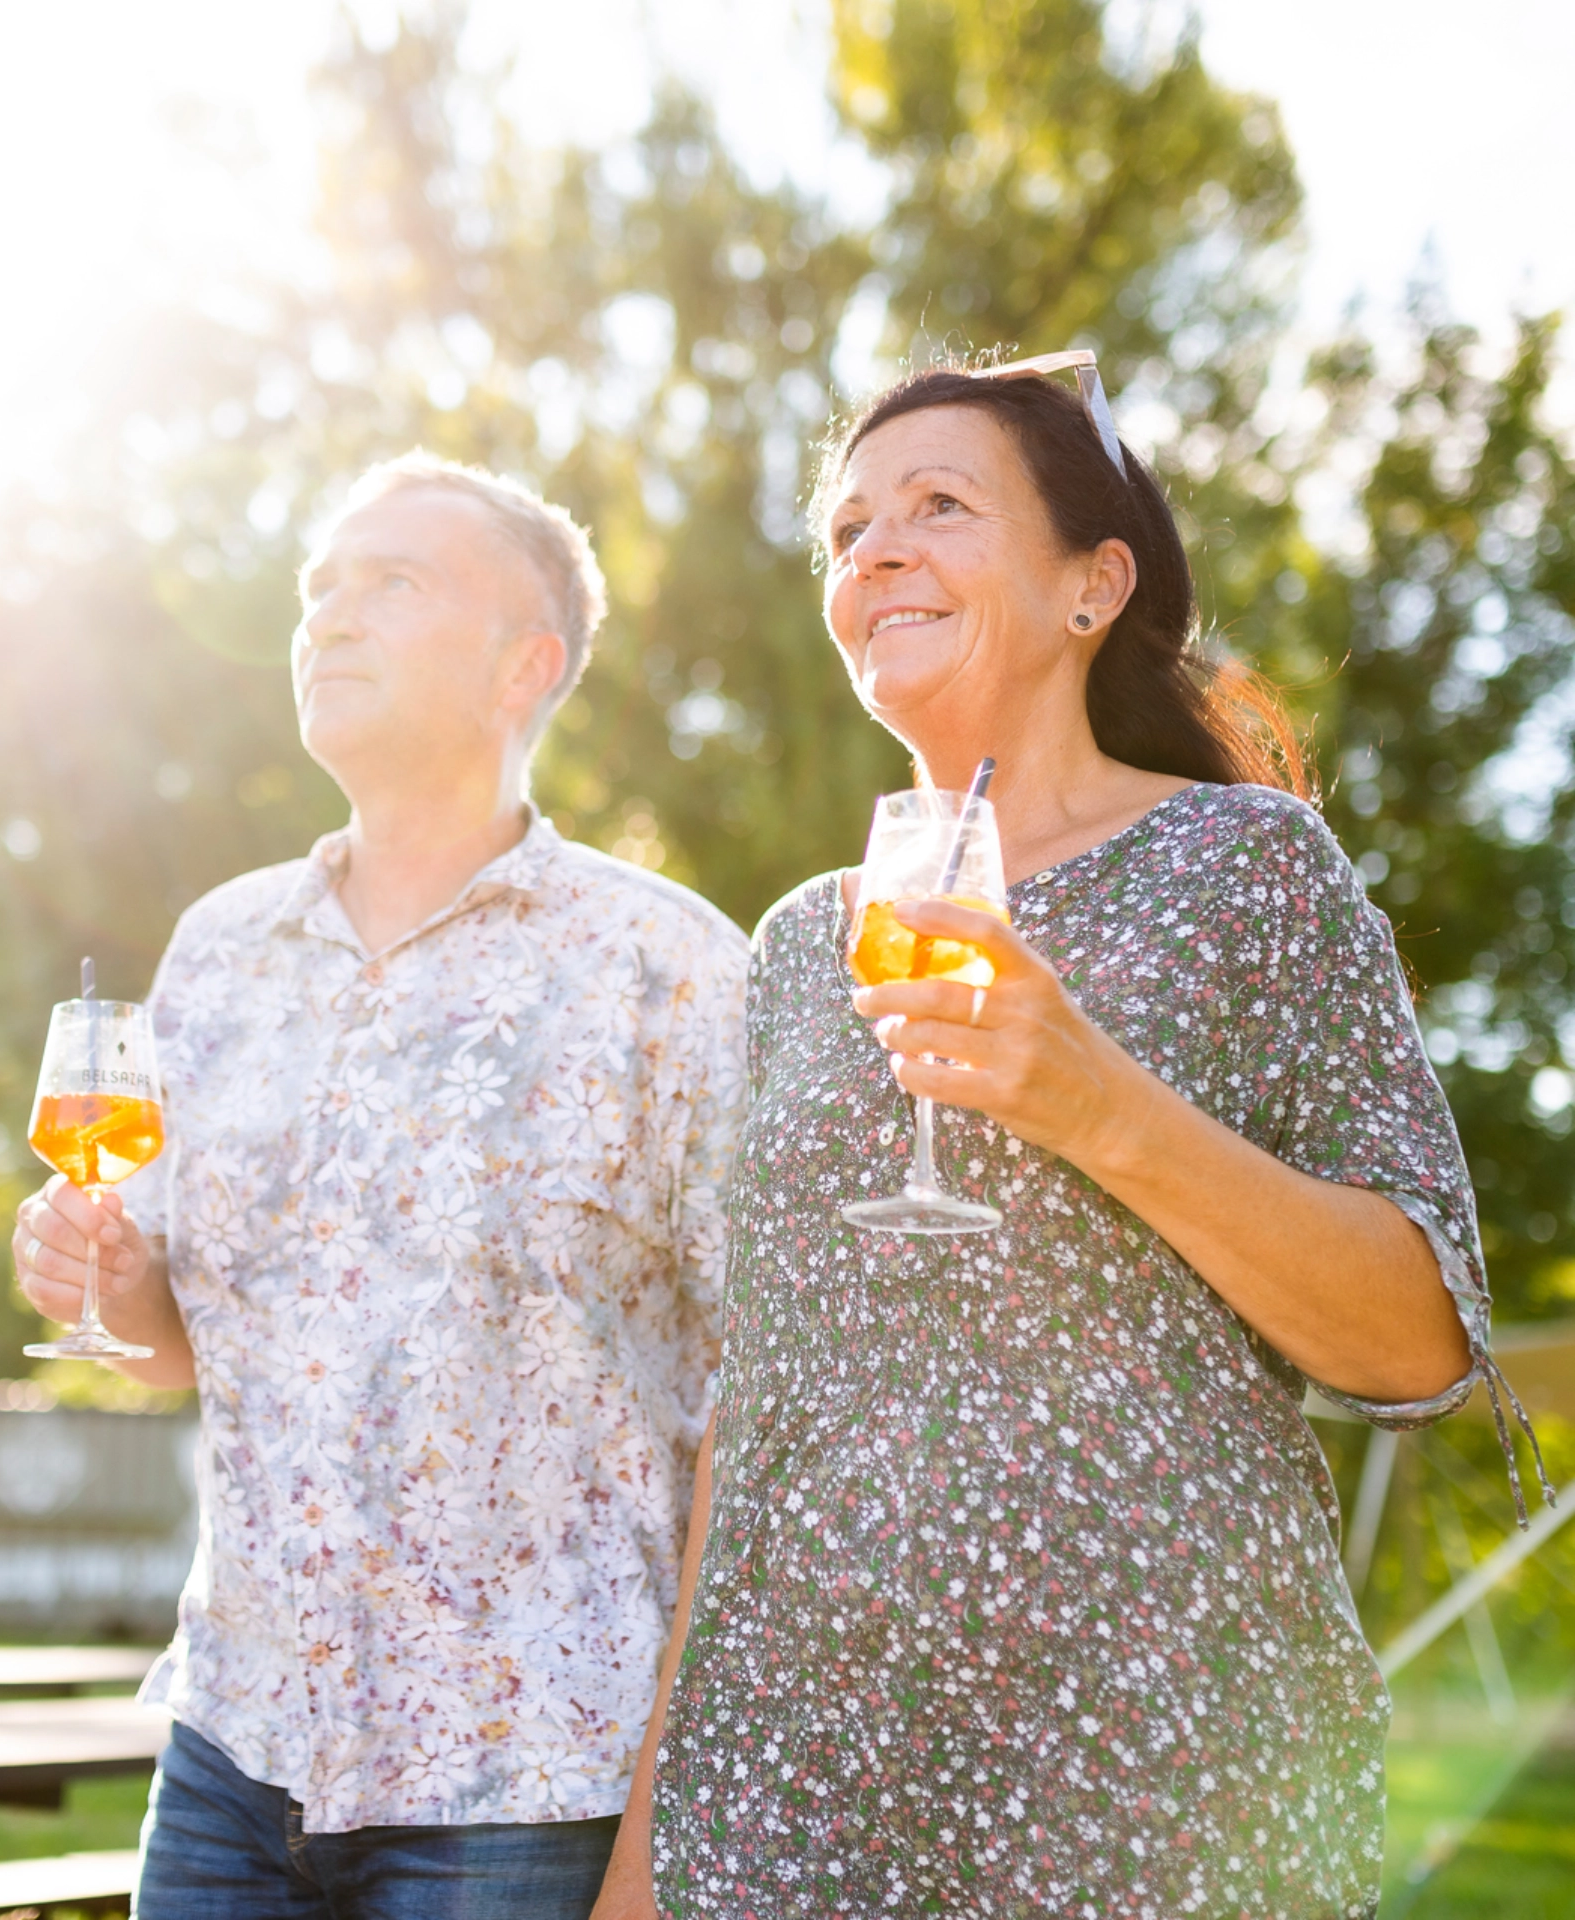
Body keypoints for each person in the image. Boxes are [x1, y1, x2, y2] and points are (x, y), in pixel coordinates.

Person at [593, 358, 1547, 1919]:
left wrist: (1096, 1105)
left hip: (1156, 1774)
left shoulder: (1247, 868)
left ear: (1093, 584)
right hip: (789, 1799)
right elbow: (755, 1401)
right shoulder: (792, 947)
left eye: (938, 508)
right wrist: (644, 1850)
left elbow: (1421, 1343)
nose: (874, 553)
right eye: (847, 530)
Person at [12, 452, 748, 1919]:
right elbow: (173, 1345)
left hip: (530, 1783)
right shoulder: (218, 952)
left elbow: (756, 1407)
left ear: (520, 668)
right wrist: (106, 1276)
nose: (328, 617)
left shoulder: (672, 969)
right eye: (319, 589)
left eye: (391, 584)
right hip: (233, 1748)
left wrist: (658, 1847)